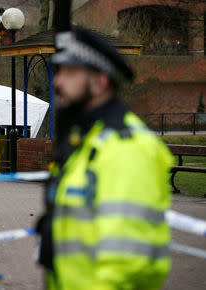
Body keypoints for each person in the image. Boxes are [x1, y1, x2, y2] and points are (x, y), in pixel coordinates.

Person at [36, 26, 174, 290]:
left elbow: (125, 263)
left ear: (100, 82)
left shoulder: (126, 148)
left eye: (71, 72)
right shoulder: (88, 142)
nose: (57, 81)